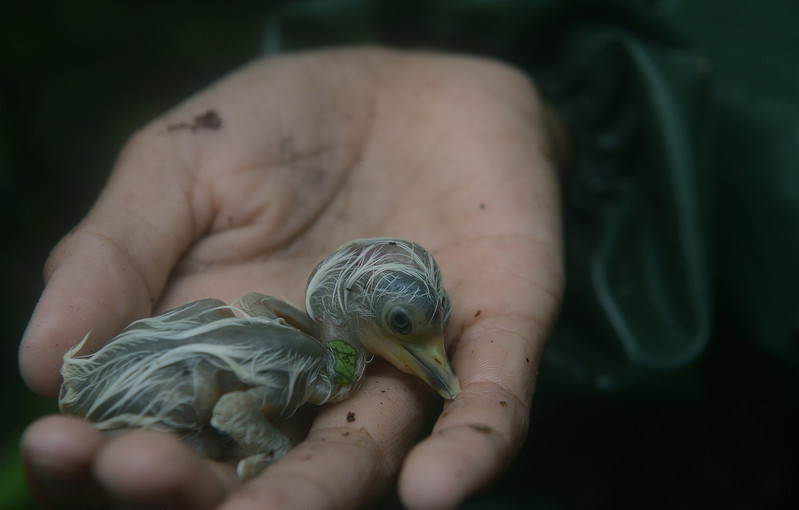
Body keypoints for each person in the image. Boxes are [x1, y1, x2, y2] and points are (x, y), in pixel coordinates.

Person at [19, 47, 567, 510]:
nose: (436, 358)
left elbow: (255, 302)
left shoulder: (305, 342)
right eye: (402, 325)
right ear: (351, 311)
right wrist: (272, 450)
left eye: (426, 328)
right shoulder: (303, 372)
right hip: (152, 389)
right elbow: (233, 408)